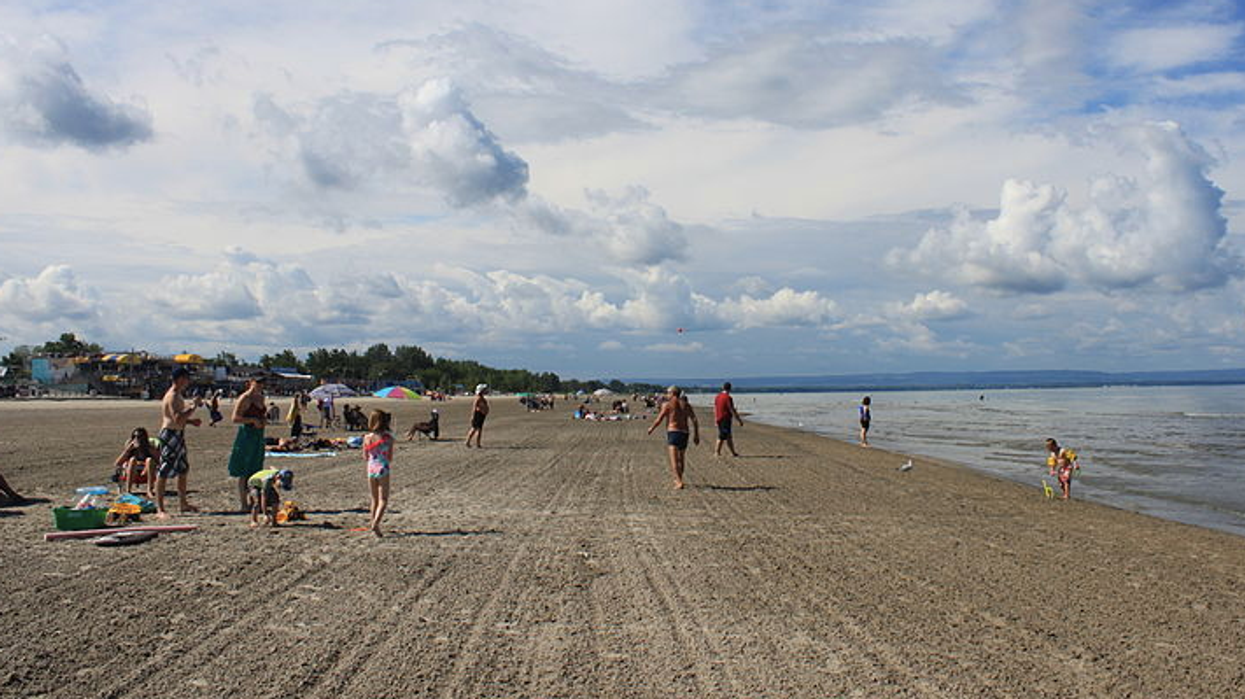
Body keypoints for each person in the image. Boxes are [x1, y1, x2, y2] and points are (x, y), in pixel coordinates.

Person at [155, 367, 203, 519]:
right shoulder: (173, 396)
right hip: (170, 435)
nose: (188, 381)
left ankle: (183, 503)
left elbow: (177, 419)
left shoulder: (177, 395)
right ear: (181, 379)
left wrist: (190, 421)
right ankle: (160, 509)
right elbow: (177, 418)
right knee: (164, 471)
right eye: (187, 378)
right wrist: (193, 407)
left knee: (183, 469)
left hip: (177, 433)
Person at [647, 386, 700, 490]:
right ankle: (679, 478)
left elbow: (659, 419)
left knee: (674, 460)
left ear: (672, 393)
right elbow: (694, 419)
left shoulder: (667, 404)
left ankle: (679, 482)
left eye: (668, 393)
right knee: (681, 458)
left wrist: (651, 428)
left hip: (673, 432)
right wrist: (696, 435)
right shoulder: (686, 404)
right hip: (684, 433)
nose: (667, 395)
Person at [228, 377, 268, 512]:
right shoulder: (245, 398)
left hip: (258, 436)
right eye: (258, 382)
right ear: (251, 382)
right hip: (246, 436)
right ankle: (244, 504)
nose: (260, 385)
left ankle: (254, 502)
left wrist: (263, 420)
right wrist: (252, 420)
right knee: (244, 471)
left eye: (262, 383)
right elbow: (235, 418)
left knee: (256, 470)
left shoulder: (261, 398)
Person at [363, 409, 395, 537]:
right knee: (383, 499)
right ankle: (376, 523)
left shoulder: (366, 437)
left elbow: (365, 456)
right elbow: (390, 457)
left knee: (374, 499)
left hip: (370, 468)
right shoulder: (388, 438)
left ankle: (372, 521)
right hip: (383, 467)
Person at [114, 427, 158, 496]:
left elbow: (159, 461)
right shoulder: (130, 448)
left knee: (149, 460)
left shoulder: (149, 447)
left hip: (146, 473)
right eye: (135, 436)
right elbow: (117, 463)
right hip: (132, 473)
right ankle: (128, 491)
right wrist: (127, 450)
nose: (137, 439)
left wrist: (148, 448)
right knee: (132, 460)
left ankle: (149, 490)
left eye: (140, 437)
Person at [713, 382, 744, 457]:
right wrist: (739, 420)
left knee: (728, 436)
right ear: (730, 388)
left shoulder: (717, 397)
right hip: (725, 419)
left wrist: (715, 419)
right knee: (722, 436)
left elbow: (715, 408)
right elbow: (731, 409)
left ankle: (733, 452)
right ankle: (716, 452)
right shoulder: (728, 398)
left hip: (720, 418)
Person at [464, 384, 489, 448]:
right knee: (475, 429)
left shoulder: (482, 398)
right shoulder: (478, 398)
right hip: (478, 415)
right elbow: (474, 407)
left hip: (481, 415)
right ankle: (468, 442)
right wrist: (472, 416)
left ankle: (477, 443)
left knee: (478, 429)